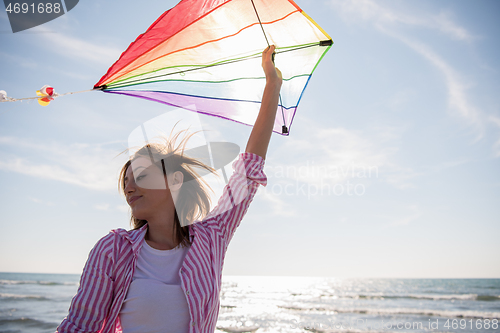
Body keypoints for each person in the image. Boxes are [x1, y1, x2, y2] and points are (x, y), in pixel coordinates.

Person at [56, 45, 282, 333]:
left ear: (174, 180)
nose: (129, 187)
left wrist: (272, 85)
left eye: (140, 175)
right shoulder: (112, 250)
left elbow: (247, 172)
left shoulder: (211, 238)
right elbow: (79, 326)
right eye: (125, 181)